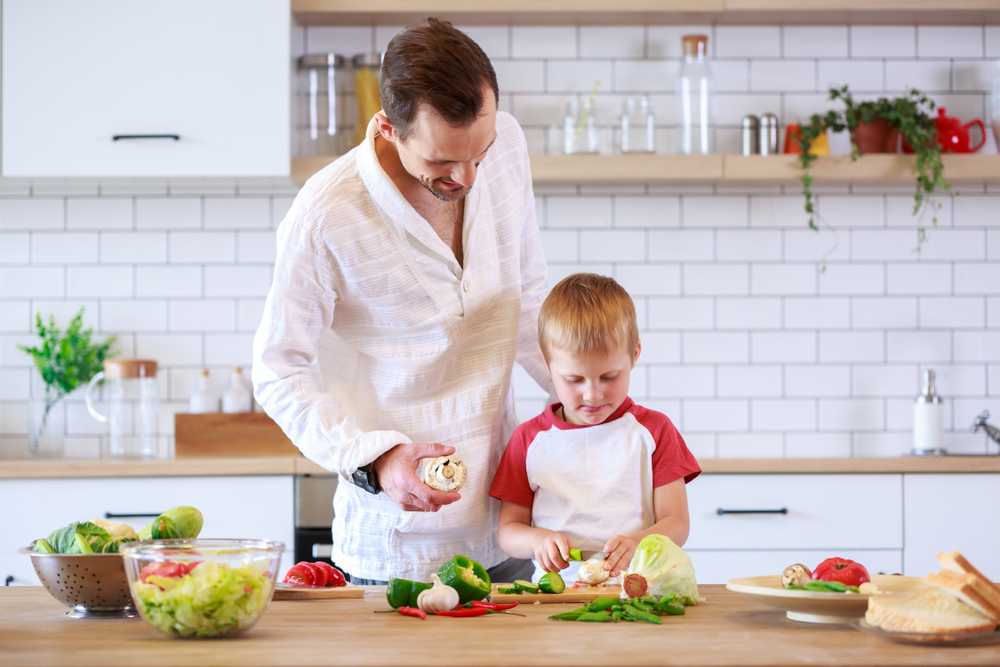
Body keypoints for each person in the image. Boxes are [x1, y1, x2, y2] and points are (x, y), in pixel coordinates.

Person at [252, 18, 552, 585]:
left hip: (507, 528)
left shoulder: (507, 143)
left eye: (478, 155)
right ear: (389, 128)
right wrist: (380, 459)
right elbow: (277, 373)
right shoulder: (325, 216)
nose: (466, 176)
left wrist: (600, 411)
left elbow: (529, 298)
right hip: (394, 553)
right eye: (443, 162)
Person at [489, 273, 701, 584]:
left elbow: (677, 522)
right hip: (554, 595)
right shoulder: (528, 440)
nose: (592, 394)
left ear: (634, 356)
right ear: (548, 364)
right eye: (574, 380)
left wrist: (638, 542)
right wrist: (538, 541)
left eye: (609, 377)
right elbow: (508, 531)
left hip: (636, 590)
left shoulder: (654, 432)